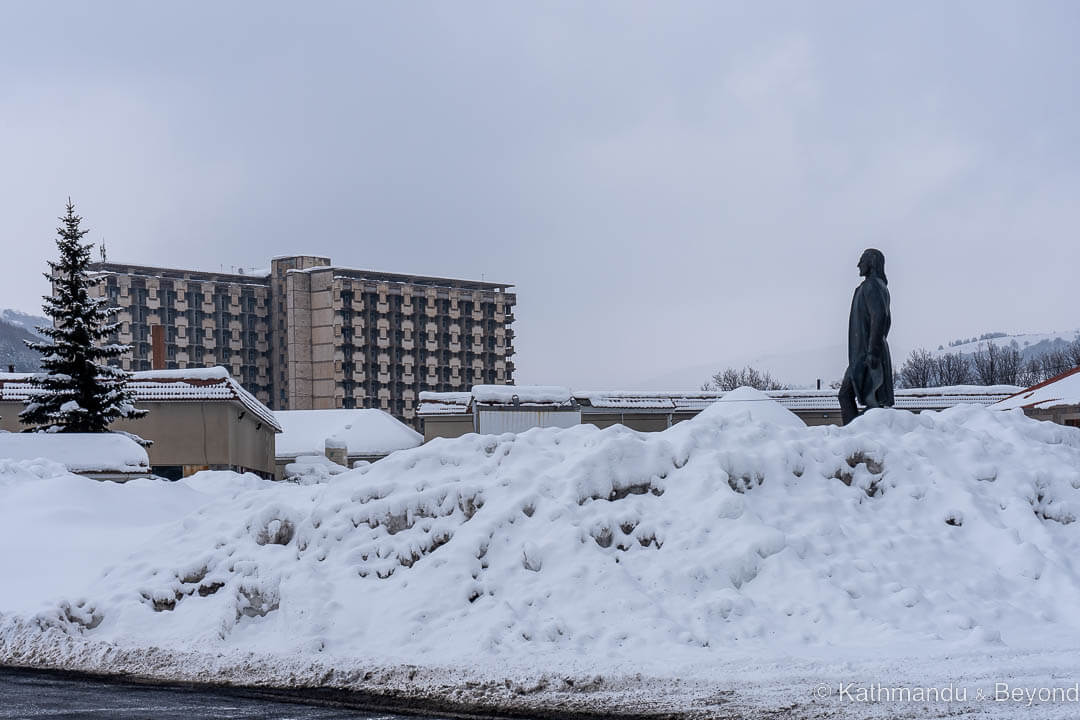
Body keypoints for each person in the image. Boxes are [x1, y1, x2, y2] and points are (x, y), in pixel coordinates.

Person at [839, 248, 894, 425]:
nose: (858, 265)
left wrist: (872, 351)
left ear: (871, 262)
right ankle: (858, 431)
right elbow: (886, 321)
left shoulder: (871, 285)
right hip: (868, 350)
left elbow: (880, 317)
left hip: (868, 352)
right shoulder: (878, 286)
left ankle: (856, 433)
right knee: (865, 398)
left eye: (861, 260)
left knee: (859, 397)